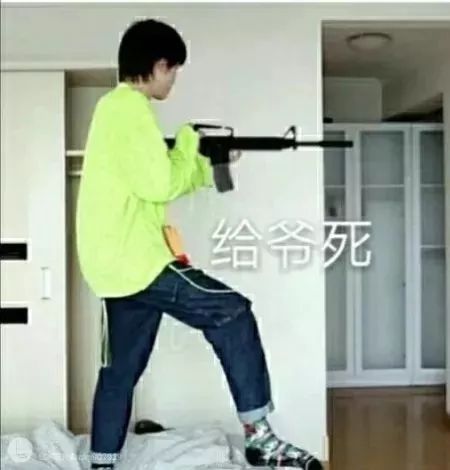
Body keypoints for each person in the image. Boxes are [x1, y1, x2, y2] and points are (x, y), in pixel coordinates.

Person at [76, 18, 322, 470]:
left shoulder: (111, 111)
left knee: (119, 372)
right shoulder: (130, 108)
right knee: (233, 313)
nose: (173, 80)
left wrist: (212, 166)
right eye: (173, 70)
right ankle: (261, 439)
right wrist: (189, 140)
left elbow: (159, 178)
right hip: (139, 259)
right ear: (158, 65)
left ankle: (102, 462)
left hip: (112, 266)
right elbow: (160, 183)